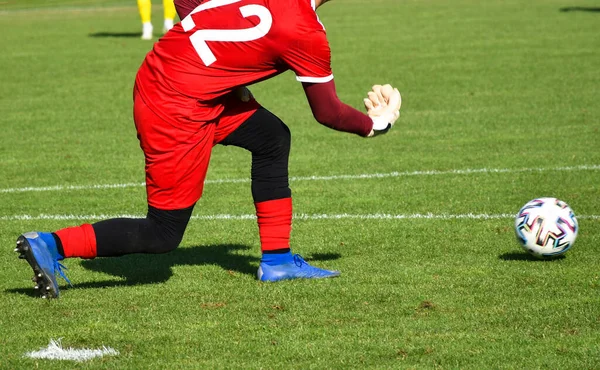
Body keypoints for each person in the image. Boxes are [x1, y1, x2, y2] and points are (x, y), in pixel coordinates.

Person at [15, 0, 402, 298]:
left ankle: (279, 261)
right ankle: (49, 243)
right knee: (162, 233)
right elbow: (328, 112)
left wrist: (222, 76)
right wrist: (377, 124)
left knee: (272, 137)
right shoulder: (306, 31)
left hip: (185, 83)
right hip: (173, 102)